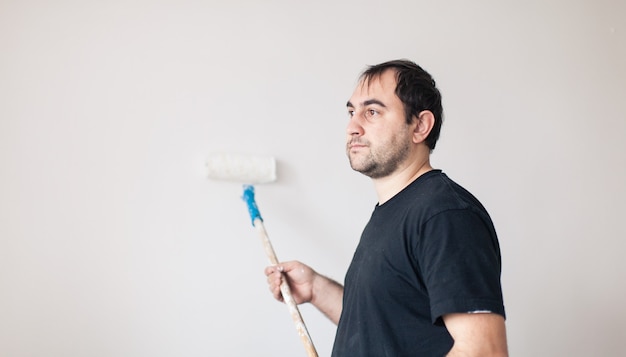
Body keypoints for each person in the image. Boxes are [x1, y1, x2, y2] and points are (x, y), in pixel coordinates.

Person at [265, 59, 508, 356]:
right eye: (352, 112)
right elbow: (384, 331)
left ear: (420, 126)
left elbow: (484, 351)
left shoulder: (444, 215)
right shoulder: (394, 211)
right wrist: (317, 289)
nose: (352, 127)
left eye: (372, 112)